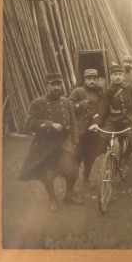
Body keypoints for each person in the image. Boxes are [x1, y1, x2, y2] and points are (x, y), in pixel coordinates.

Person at [18, 72, 81, 211]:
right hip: (45, 143)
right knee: (48, 173)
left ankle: (68, 195)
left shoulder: (66, 102)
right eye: (53, 84)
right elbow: (29, 123)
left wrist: (75, 141)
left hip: (63, 141)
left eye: (58, 84)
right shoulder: (37, 103)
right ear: (46, 86)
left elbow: (73, 123)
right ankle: (52, 198)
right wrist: (50, 124)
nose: (56, 87)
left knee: (73, 171)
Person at [90, 64, 132, 168]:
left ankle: (126, 155)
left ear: (123, 76)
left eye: (120, 74)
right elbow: (101, 109)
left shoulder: (130, 87)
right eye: (115, 74)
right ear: (111, 76)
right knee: (101, 137)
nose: (118, 77)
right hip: (114, 120)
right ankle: (110, 156)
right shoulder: (107, 92)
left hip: (130, 119)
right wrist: (95, 123)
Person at [68, 68, 106, 190]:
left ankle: (86, 179)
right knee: (77, 158)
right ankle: (71, 186)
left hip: (93, 130)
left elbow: (102, 108)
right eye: (89, 79)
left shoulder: (100, 92)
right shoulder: (77, 92)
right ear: (85, 80)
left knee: (90, 157)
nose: (92, 81)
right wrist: (82, 103)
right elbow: (69, 108)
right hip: (80, 130)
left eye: (95, 79)